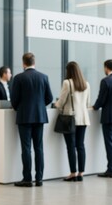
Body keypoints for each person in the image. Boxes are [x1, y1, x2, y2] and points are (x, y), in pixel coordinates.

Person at [11, 53, 53, 187]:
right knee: (39, 148)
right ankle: (39, 179)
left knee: (26, 148)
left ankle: (27, 179)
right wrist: (40, 106)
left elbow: (14, 100)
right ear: (34, 62)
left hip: (24, 116)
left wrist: (20, 108)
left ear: (24, 63)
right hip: (39, 117)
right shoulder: (43, 77)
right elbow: (49, 98)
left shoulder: (18, 78)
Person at [55, 62, 90, 182]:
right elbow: (87, 103)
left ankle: (73, 173)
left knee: (71, 147)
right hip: (83, 118)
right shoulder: (86, 84)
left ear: (68, 71)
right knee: (80, 146)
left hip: (70, 118)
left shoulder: (67, 83)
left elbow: (61, 102)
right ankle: (81, 173)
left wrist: (56, 104)